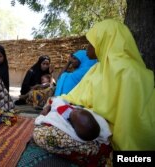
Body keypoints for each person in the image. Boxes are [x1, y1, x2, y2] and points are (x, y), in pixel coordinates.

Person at [59, 19, 155, 150]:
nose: (88, 47)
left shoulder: (131, 73)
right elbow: (73, 98)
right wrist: (56, 104)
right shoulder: (97, 69)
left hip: (105, 135)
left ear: (104, 42)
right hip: (92, 126)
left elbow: (130, 120)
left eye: (91, 43)